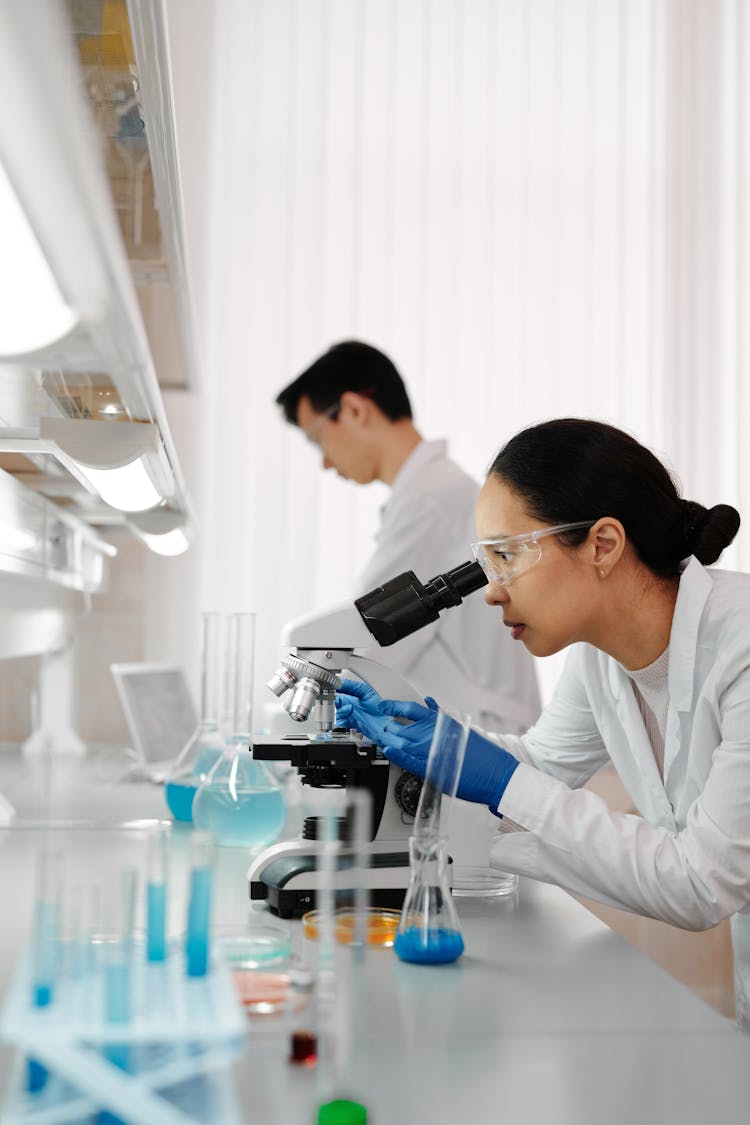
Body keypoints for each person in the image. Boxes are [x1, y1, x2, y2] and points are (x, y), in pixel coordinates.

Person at [336, 417, 750, 1029]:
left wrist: (496, 780)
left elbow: (701, 882)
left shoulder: (741, 645)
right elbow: (544, 766)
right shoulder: (602, 656)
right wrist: (436, 746)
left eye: (506, 556)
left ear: (603, 545)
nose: (491, 592)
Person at [275, 340, 541, 733]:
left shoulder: (431, 499)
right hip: (473, 728)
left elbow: (368, 636)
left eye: (318, 439)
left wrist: (286, 721)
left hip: (481, 734)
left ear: (353, 409)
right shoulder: (431, 493)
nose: (326, 462)